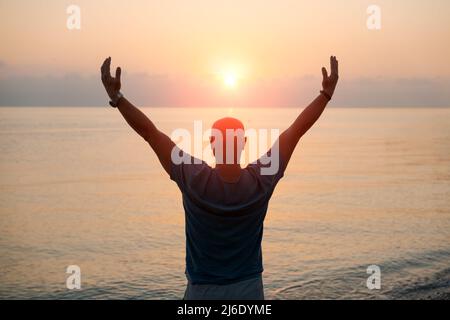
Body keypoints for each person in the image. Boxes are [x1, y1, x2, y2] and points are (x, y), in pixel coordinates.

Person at [100, 56, 339, 300]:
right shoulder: (262, 179)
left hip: (202, 290)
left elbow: (150, 133)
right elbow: (296, 131)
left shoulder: (192, 177)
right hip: (248, 289)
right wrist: (325, 95)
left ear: (212, 144)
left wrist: (118, 99)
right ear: (244, 144)